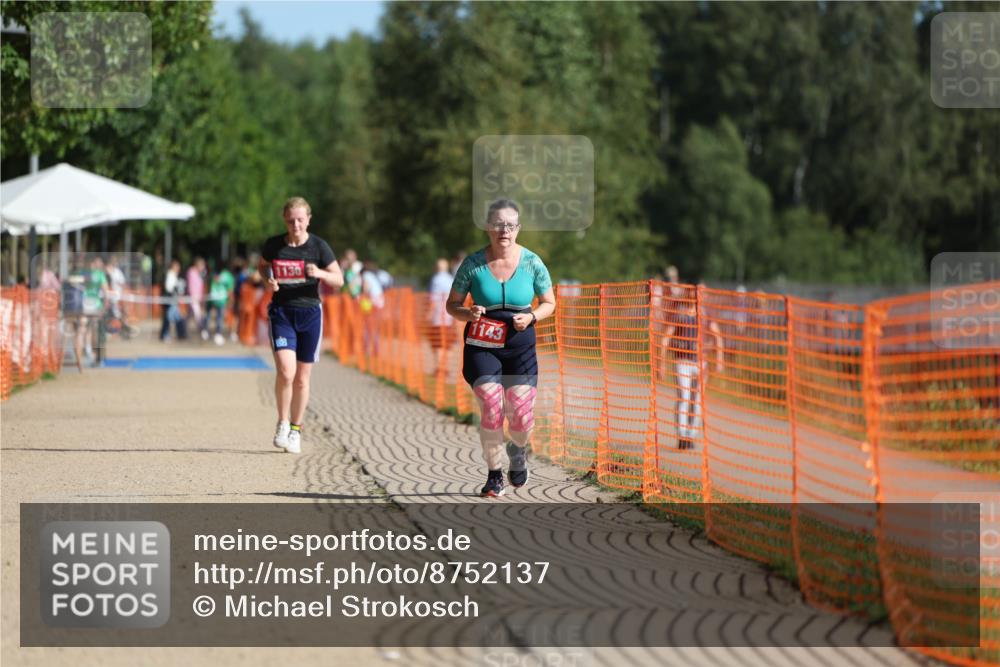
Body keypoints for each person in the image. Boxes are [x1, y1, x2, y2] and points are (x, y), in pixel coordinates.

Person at [446, 199, 556, 498]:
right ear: (487, 227)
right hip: (483, 344)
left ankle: (518, 451)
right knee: (491, 406)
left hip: (520, 345)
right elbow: (451, 305)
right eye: (497, 224)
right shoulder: (473, 264)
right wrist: (468, 313)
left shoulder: (533, 263)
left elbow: (550, 303)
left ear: (518, 229)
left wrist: (532, 315)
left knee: (520, 415)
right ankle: (494, 475)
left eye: (509, 225)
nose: (503, 230)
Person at [259, 196, 343, 454]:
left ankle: (296, 429)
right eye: (291, 220)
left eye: (300, 220)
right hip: (282, 312)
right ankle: (282, 422)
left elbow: (339, 279)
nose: (296, 225)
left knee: (302, 379)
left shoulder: (318, 247)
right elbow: (262, 267)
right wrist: (268, 280)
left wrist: (320, 274)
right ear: (285, 220)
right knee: (286, 372)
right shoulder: (274, 245)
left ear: (308, 219)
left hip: (309, 314)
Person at [660, 297, 723, 450]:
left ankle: (691, 435)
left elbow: (717, 336)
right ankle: (682, 435)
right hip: (683, 362)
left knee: (697, 400)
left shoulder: (706, 315)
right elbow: (665, 339)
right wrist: (661, 363)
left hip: (701, 363)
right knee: (684, 397)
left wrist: (720, 358)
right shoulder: (679, 314)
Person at [427, 258, 455, 360]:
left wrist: (429, 314)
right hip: (450, 316)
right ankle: (445, 367)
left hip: (437, 317)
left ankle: (439, 369)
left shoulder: (436, 279)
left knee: (437, 343)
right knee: (448, 344)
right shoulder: (451, 279)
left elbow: (434, 299)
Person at [159, 260, 188, 341]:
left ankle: (180, 334)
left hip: (173, 301)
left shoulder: (174, 275)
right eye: (177, 266)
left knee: (177, 318)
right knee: (168, 318)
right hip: (170, 301)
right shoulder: (170, 275)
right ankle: (164, 335)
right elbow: (169, 288)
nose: (179, 268)